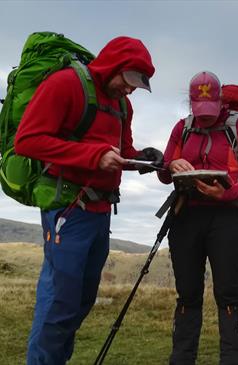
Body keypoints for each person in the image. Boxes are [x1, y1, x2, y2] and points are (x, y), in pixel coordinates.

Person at [14, 36, 162, 365]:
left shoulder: (123, 105)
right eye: (129, 80)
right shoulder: (65, 84)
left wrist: (143, 159)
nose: (131, 90)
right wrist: (93, 156)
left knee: (80, 301)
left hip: (100, 211)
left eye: (138, 84)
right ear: (113, 67)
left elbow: (121, 151)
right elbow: (28, 140)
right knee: (60, 303)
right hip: (68, 208)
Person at [158, 71, 238, 365]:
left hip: (227, 219)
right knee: (187, 294)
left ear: (220, 101)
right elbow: (164, 175)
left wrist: (224, 195)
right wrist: (170, 165)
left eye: (210, 111)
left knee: (228, 294)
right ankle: (181, 359)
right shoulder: (182, 128)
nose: (204, 117)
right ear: (191, 104)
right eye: (198, 111)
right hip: (186, 216)